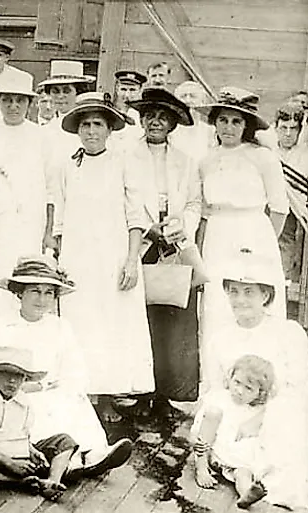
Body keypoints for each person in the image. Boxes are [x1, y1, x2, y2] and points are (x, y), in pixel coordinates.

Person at [52, 92, 153, 423]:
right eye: (84, 125)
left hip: (113, 256)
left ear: (109, 129)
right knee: (81, 323)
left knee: (112, 325)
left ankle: (108, 394)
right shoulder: (68, 165)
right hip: (78, 258)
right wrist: (57, 258)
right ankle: (85, 395)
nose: (91, 131)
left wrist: (131, 261)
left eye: (97, 124)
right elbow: (61, 219)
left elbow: (136, 217)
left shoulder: (124, 163)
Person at [0, 256, 133, 471]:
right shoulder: (2, 325)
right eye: (35, 291)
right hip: (15, 392)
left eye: (48, 293)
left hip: (53, 388)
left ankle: (94, 455)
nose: (42, 299)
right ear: (20, 292)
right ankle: (67, 462)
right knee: (41, 407)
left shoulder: (59, 326)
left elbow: (74, 366)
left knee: (72, 400)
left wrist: (67, 386)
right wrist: (21, 387)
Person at [202, 248, 308, 510]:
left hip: (280, 411)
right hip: (236, 414)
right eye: (234, 291)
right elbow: (216, 389)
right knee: (236, 444)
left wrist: (260, 419)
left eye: (249, 292)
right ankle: (256, 492)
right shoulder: (220, 339)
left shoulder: (288, 333)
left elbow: (299, 387)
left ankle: (279, 490)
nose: (240, 300)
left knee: (285, 429)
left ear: (266, 295)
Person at [126, 87, 202, 416]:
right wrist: (147, 227)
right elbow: (123, 199)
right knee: (141, 319)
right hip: (140, 242)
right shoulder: (126, 156)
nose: (155, 122)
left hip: (175, 241)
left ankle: (169, 395)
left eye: (162, 117)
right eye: (149, 116)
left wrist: (179, 225)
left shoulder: (185, 162)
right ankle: (140, 391)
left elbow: (194, 202)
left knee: (174, 319)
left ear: (172, 124)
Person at [198, 87, 288, 355]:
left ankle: (258, 370)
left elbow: (280, 208)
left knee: (253, 297)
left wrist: (263, 248)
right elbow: (203, 211)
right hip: (217, 235)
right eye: (223, 120)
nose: (229, 127)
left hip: (254, 232)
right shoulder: (206, 160)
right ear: (214, 122)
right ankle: (216, 374)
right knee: (217, 302)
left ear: (246, 125)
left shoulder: (263, 157)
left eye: (236, 121)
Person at [0, 345, 77, 500]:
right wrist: (11, 465)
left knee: (64, 441)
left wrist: (33, 452)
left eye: (18, 375)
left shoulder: (24, 401)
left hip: (19, 455)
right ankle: (17, 483)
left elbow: (23, 435)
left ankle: (52, 481)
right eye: (5, 373)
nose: (12, 380)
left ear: (25, 378)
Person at [0, 73, 54, 320]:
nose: (13, 106)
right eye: (7, 100)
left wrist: (48, 231)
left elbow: (51, 187)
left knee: (27, 277)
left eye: (19, 101)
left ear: (29, 104)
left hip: (31, 223)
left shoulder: (41, 137)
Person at [192, 354, 274, 509]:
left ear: (260, 393)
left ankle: (246, 496)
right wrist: (196, 439)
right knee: (212, 413)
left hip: (238, 459)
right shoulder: (219, 398)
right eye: (237, 382)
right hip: (213, 451)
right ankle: (201, 469)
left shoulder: (258, 410)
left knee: (243, 474)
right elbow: (199, 426)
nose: (239, 390)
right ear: (230, 378)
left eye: (248, 388)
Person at [272, 103, 308, 294]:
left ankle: (283, 281)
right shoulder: (268, 151)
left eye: (293, 129)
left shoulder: (304, 156)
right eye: (283, 128)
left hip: (294, 214)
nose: (287, 133)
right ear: (275, 127)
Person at [170, 81, 215, 164]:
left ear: (203, 101)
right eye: (183, 96)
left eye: (193, 96)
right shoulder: (170, 131)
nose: (187, 100)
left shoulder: (211, 132)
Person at [108, 70, 146, 151]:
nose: (127, 95)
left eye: (132, 90)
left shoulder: (144, 117)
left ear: (140, 91)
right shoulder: (109, 114)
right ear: (117, 90)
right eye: (123, 89)